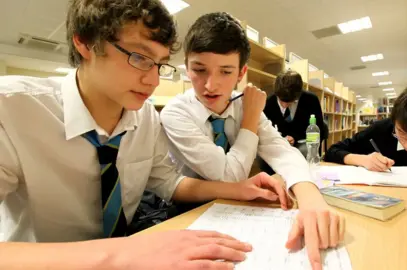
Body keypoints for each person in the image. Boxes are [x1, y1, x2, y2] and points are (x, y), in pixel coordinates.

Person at [0, 1, 292, 269]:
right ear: (86, 42)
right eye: (140, 57)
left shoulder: (146, 117)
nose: (153, 81)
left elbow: (169, 182)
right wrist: (119, 253)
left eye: (160, 64)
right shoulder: (12, 109)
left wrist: (236, 190)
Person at [160, 12, 345, 269]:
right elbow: (226, 175)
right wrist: (251, 119)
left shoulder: (244, 104)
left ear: (241, 72)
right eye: (199, 70)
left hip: (238, 206)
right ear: (187, 66)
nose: (210, 85)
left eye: (225, 71)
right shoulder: (176, 112)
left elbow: (282, 151)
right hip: (188, 211)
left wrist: (310, 196)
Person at [264, 70, 324, 156]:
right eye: (281, 101)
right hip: (278, 143)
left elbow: (317, 129)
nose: (284, 105)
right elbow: (265, 129)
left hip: (302, 141)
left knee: (305, 151)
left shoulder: (311, 100)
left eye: (289, 102)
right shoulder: (269, 101)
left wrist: (294, 137)